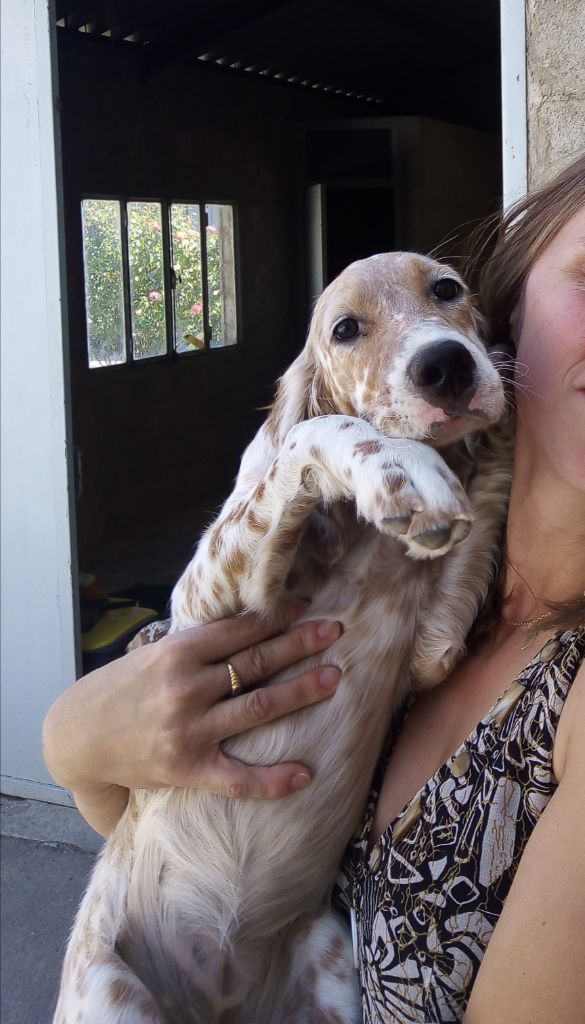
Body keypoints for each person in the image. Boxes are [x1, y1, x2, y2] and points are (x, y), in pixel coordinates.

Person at [43, 155, 585, 1023]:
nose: (422, 335)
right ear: (511, 314)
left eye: (442, 294)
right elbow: (146, 783)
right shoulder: (437, 571)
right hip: (141, 944)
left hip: (294, 958)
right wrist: (71, 742)